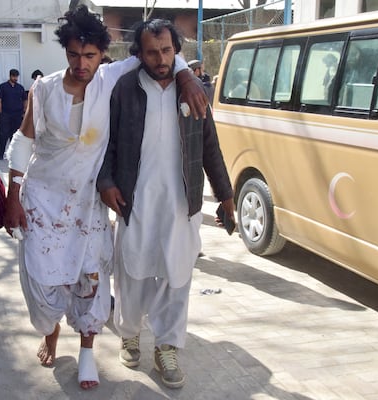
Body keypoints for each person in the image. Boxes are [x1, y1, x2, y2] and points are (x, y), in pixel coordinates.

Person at [3, 5, 208, 391]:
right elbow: (23, 140)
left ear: (102, 55)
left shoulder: (110, 79)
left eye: (90, 56)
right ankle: (50, 332)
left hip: (87, 206)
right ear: (65, 52)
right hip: (43, 201)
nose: (81, 64)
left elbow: (158, 49)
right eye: (74, 55)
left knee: (91, 280)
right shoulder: (44, 88)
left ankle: (86, 352)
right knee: (43, 286)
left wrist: (185, 75)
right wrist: (12, 194)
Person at [96, 19, 235, 389]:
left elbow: (210, 145)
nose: (160, 59)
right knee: (131, 273)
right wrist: (106, 182)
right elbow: (106, 142)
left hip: (181, 203)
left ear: (177, 51)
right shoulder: (124, 89)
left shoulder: (194, 90)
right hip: (135, 200)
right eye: (152, 52)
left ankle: (168, 346)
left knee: (177, 277)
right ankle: (128, 334)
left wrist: (225, 195)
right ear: (139, 54)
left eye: (167, 51)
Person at [0, 68, 26, 159]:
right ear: (10, 76)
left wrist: (24, 111)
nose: (15, 78)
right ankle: (1, 155)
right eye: (14, 76)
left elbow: (25, 99)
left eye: (17, 77)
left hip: (17, 115)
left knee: (15, 135)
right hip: (6, 114)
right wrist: (1, 112)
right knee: (3, 135)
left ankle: (13, 154)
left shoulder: (20, 87)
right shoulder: (3, 86)